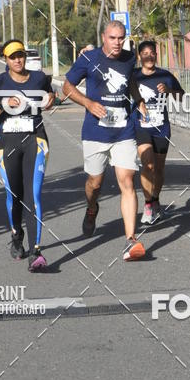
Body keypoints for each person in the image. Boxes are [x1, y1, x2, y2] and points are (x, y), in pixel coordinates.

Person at [63, 20, 147, 262]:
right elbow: (67, 87)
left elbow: (130, 81)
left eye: (121, 38)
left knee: (127, 180)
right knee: (95, 183)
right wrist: (88, 103)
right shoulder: (89, 59)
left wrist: (139, 101)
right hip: (95, 132)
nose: (117, 43)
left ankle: (131, 239)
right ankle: (92, 208)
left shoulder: (129, 58)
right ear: (103, 37)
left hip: (124, 130)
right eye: (113, 38)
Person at [0, 39, 54, 272]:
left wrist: (50, 100)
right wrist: (3, 105)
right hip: (7, 143)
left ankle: (36, 252)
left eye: (20, 55)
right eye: (12, 57)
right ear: (6, 59)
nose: (18, 60)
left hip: (35, 139)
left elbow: (50, 96)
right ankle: (16, 235)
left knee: (33, 195)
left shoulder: (39, 78)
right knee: (15, 196)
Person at [133, 39, 184, 225]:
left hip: (161, 127)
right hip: (141, 126)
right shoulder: (134, 76)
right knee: (148, 165)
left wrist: (169, 90)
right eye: (145, 53)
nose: (149, 56)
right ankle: (148, 205)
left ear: (156, 55)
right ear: (140, 56)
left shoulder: (165, 75)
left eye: (152, 53)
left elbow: (181, 97)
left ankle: (155, 200)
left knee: (159, 168)